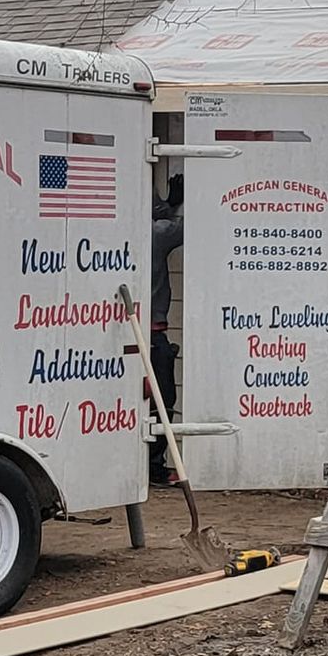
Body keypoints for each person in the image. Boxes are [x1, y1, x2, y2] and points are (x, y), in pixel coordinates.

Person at [148, 175, 184, 486]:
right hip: (153, 333)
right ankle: (154, 468)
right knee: (162, 402)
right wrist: (175, 205)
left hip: (117, 330)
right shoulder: (157, 233)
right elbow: (187, 227)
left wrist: (167, 204)